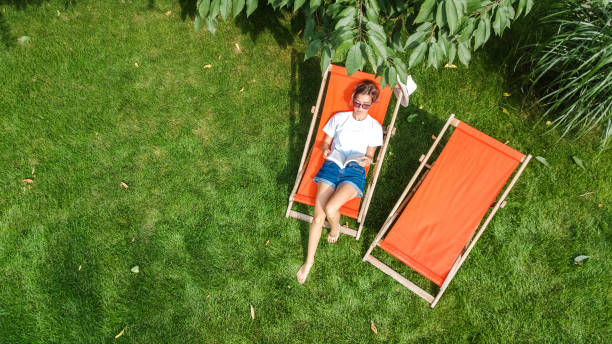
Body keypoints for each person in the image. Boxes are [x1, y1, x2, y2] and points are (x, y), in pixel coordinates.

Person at [297, 80, 383, 284]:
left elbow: (370, 155)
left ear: (372, 104)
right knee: (318, 218)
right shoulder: (339, 118)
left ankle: (335, 228)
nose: (360, 108)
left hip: (353, 169)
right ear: (353, 99)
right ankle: (309, 262)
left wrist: (368, 160)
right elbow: (326, 142)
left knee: (331, 207)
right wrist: (326, 150)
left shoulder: (374, 127)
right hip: (333, 164)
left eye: (366, 105)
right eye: (358, 102)